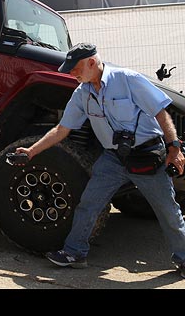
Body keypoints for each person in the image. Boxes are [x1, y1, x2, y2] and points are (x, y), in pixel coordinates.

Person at [15, 42, 185, 278]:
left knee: (168, 212)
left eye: (74, 69)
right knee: (89, 204)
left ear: (91, 63)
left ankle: (184, 258)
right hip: (113, 160)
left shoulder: (128, 79)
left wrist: (174, 146)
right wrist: (31, 151)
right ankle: (75, 253)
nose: (71, 74)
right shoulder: (82, 93)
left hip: (146, 156)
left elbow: (161, 112)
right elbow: (62, 129)